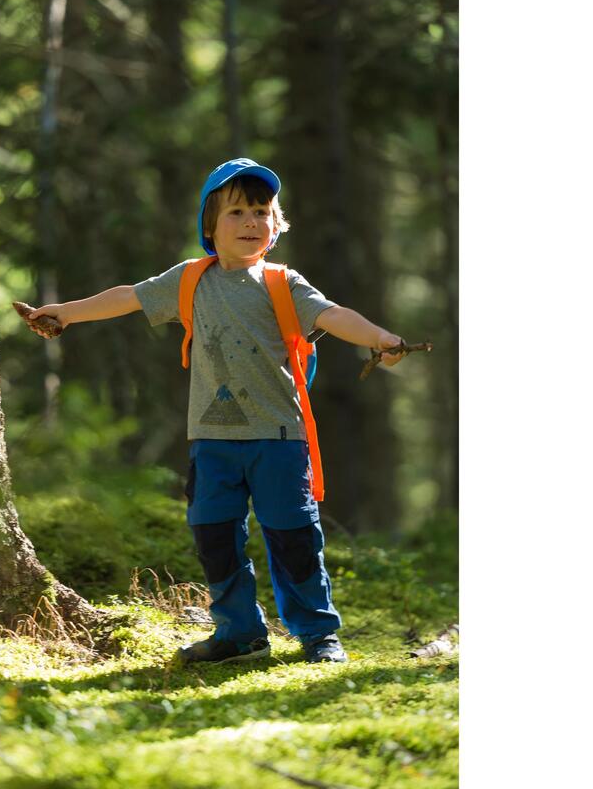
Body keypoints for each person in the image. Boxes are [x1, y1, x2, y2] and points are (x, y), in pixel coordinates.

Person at [28, 158, 406, 665]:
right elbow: (128, 297)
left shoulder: (283, 283)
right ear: (210, 225)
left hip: (278, 436)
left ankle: (318, 636)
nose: (251, 222)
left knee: (294, 537)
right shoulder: (189, 280)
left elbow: (333, 315)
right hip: (212, 438)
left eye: (261, 211)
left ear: (275, 225)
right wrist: (66, 313)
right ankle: (238, 633)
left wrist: (380, 338)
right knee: (215, 536)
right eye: (237, 212)